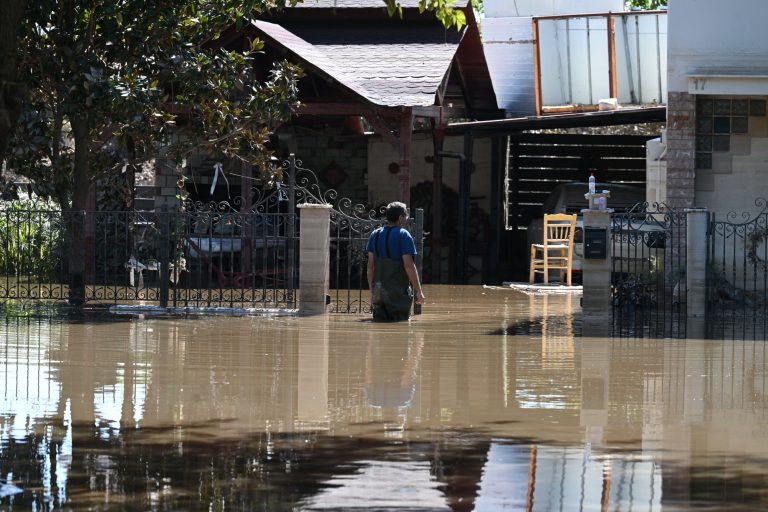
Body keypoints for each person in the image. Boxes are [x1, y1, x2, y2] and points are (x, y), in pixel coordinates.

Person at [366, 202, 425, 321]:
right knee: (400, 328)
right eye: (406, 216)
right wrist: (418, 291)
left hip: (379, 292)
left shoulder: (375, 235)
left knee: (379, 328)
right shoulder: (403, 235)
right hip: (397, 293)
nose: (407, 218)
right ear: (400, 218)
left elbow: (370, 267)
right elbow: (409, 266)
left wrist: (372, 291)